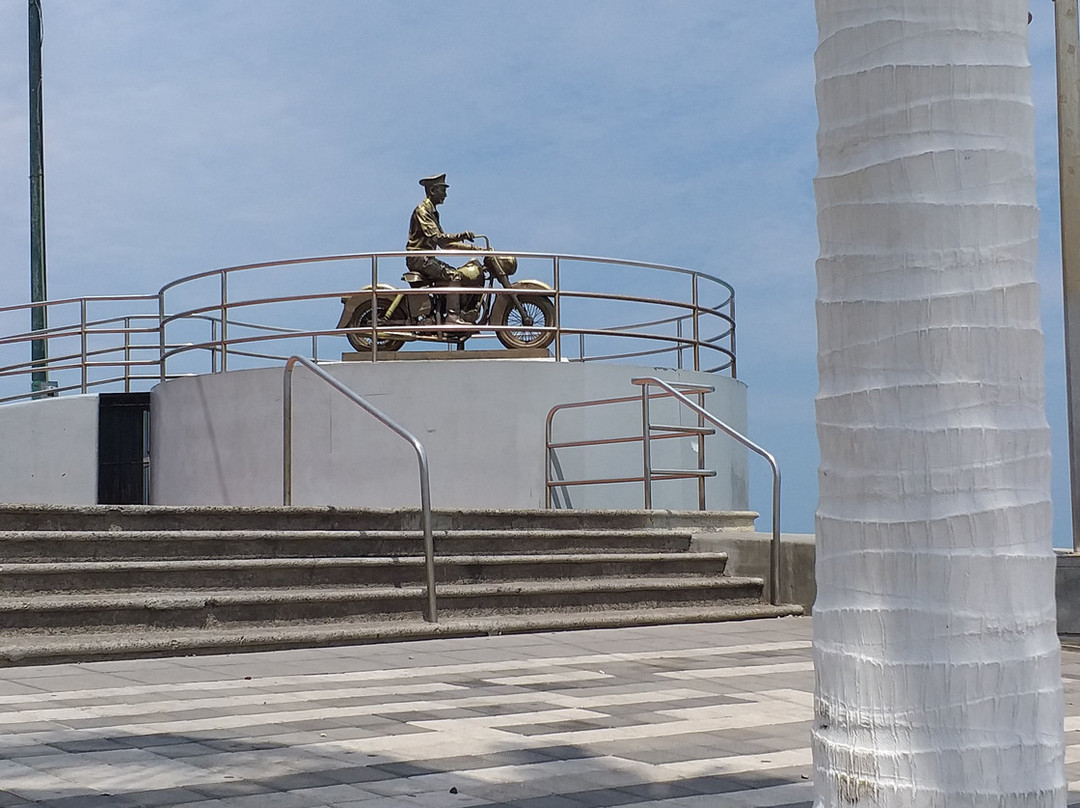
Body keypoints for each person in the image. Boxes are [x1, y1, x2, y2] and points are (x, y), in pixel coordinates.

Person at [406, 174, 476, 325]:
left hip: (426, 258)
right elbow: (439, 238)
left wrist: (475, 249)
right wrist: (461, 235)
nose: (445, 194)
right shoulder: (423, 211)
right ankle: (452, 317)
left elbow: (445, 244)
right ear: (432, 191)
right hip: (419, 259)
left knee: (456, 275)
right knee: (453, 276)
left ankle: (446, 311)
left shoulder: (432, 212)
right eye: (442, 190)